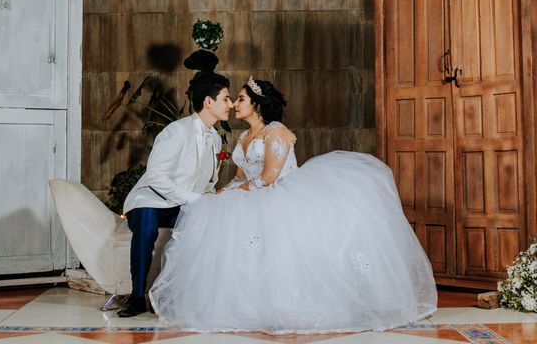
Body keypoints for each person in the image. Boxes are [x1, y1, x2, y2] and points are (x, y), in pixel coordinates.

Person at [148, 76, 437, 333]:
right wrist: (224, 193)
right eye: (233, 99)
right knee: (218, 222)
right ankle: (243, 304)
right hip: (249, 196)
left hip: (279, 197)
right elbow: (239, 175)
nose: (235, 104)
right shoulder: (243, 136)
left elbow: (269, 176)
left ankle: (290, 305)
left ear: (257, 105)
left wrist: (231, 194)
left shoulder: (278, 132)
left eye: (241, 99)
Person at [117, 72, 233, 317]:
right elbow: (156, 177)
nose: (230, 105)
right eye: (226, 99)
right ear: (208, 102)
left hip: (181, 205)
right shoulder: (176, 131)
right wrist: (193, 199)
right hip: (151, 199)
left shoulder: (215, 139)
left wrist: (211, 198)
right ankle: (137, 297)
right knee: (147, 224)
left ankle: (190, 294)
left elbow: (208, 182)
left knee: (216, 220)